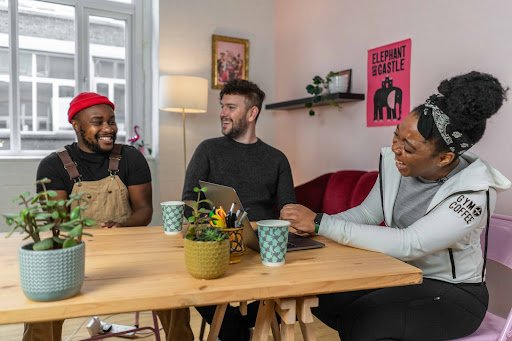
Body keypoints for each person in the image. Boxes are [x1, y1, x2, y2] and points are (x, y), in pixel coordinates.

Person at [281, 71, 511, 340]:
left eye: (409, 147)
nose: (395, 150)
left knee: (367, 323)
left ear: (445, 157)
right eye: (396, 136)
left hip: (454, 293)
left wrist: (322, 222)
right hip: (401, 275)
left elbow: (409, 242)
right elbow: (368, 212)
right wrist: (313, 229)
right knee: (322, 297)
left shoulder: (474, 193)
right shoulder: (395, 165)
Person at [28, 92, 191, 341]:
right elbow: (57, 224)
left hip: (131, 256)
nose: (108, 128)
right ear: (76, 125)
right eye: (98, 122)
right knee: (40, 308)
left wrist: (122, 225)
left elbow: (144, 211)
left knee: (176, 292)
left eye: (112, 121)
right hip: (74, 258)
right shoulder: (52, 165)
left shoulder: (131, 158)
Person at [182, 79, 296, 340]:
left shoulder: (276, 159)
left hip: (261, 250)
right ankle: (237, 331)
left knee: (290, 290)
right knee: (196, 282)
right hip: (216, 244)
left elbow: (287, 209)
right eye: (222, 106)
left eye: (231, 107)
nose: (222, 113)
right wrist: (208, 228)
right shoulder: (207, 150)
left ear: (252, 113)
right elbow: (188, 202)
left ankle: (238, 327)